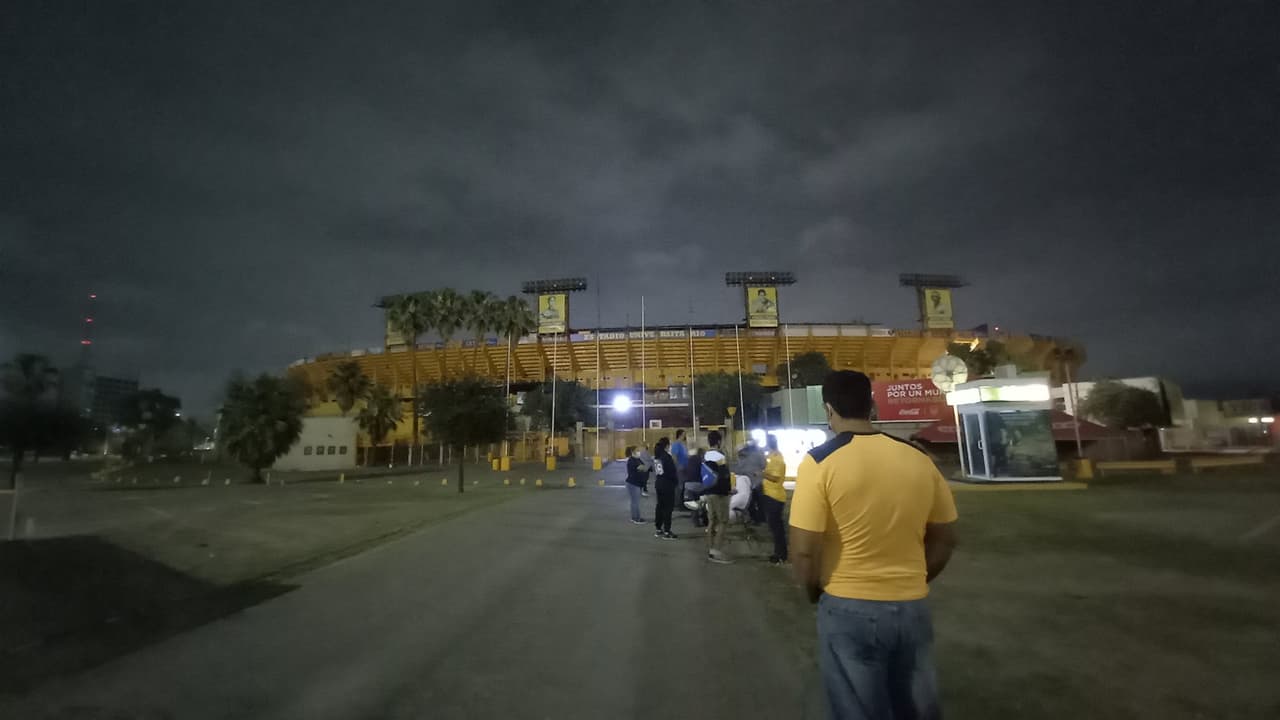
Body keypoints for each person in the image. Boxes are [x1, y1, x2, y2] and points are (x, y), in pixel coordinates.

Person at [790, 371, 958, 720]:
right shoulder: (917, 458)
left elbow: (804, 549)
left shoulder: (820, 462)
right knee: (917, 707)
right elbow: (945, 536)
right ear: (873, 405)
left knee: (859, 710)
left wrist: (812, 591)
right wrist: (917, 579)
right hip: (912, 606)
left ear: (828, 409)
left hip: (848, 605)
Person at [761, 434, 788, 565]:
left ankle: (781, 554)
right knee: (774, 527)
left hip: (775, 497)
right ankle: (778, 553)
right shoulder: (771, 456)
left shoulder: (777, 458)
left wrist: (762, 473)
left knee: (777, 528)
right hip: (769, 495)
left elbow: (775, 478)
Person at [702, 449, 733, 564]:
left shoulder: (707, 461)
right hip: (719, 495)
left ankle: (711, 550)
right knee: (723, 521)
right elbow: (724, 481)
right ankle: (717, 551)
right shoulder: (721, 464)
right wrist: (729, 491)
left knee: (711, 521)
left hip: (709, 493)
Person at [652, 437, 679, 539]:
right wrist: (675, 482)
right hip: (667, 485)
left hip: (659, 484)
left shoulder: (657, 456)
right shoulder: (667, 457)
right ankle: (667, 531)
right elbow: (671, 472)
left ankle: (658, 529)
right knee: (668, 508)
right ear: (667, 446)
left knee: (660, 506)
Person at [736, 440, 766, 523]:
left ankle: (757, 518)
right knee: (756, 502)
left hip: (752, 482)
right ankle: (759, 519)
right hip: (753, 482)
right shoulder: (757, 454)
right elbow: (763, 465)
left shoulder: (745, 457)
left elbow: (740, 470)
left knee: (754, 502)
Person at [624, 445, 650, 525]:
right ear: (633, 452)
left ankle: (635, 517)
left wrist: (646, 467)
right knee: (635, 502)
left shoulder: (637, 459)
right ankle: (636, 518)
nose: (639, 452)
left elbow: (645, 466)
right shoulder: (631, 460)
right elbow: (643, 468)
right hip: (633, 484)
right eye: (637, 450)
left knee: (635, 502)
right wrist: (646, 467)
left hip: (637, 483)